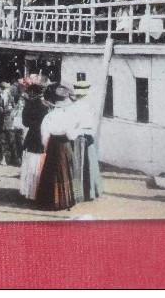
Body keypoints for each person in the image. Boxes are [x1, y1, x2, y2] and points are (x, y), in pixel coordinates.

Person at [36, 83, 78, 211]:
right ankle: (66, 200)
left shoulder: (48, 117)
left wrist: (45, 147)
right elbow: (72, 136)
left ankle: (50, 201)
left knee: (52, 171)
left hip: (53, 145)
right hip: (65, 145)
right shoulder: (68, 116)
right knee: (66, 171)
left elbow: (44, 135)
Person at [64, 79, 104, 203]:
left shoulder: (72, 106)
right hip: (88, 137)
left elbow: (70, 124)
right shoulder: (90, 106)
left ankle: (77, 192)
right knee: (90, 165)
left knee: (77, 166)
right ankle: (91, 191)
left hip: (77, 137)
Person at [18, 74, 50, 201]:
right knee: (39, 164)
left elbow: (25, 123)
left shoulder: (29, 105)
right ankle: (38, 191)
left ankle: (28, 191)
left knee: (30, 163)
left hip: (31, 135)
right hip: (42, 135)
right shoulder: (46, 107)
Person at [0, 81, 24, 166]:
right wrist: (10, 109)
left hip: (10, 123)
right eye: (3, 89)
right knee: (1, 141)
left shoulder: (11, 98)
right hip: (0, 123)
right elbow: (0, 111)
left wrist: (11, 109)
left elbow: (15, 108)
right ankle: (2, 158)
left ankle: (13, 158)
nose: (5, 91)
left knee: (11, 141)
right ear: (0, 89)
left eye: (6, 89)